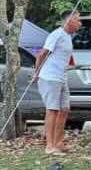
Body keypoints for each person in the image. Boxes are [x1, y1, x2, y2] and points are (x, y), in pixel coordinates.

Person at [33, 10, 80, 154]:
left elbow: (65, 56)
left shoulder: (67, 37)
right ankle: (50, 146)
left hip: (62, 77)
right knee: (52, 110)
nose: (80, 23)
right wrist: (37, 73)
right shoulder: (56, 34)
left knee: (64, 110)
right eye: (78, 20)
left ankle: (59, 143)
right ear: (69, 20)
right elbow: (41, 54)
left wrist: (72, 64)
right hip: (50, 77)